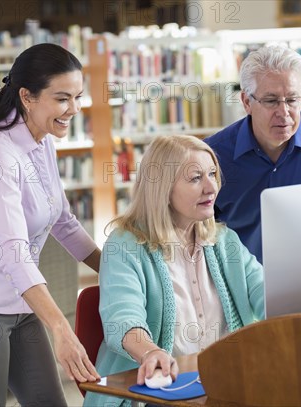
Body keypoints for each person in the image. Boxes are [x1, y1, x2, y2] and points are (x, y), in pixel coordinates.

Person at [0, 43, 101, 406]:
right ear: (27, 96)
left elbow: (63, 221)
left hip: (20, 306)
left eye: (77, 97)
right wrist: (61, 327)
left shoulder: (42, 141)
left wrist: (115, 269)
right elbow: (13, 253)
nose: (73, 109)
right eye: (62, 98)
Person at [83, 135, 265, 406]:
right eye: (195, 178)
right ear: (163, 189)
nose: (211, 187)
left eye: (213, 174)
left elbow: (266, 293)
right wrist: (150, 353)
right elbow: (122, 318)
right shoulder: (125, 246)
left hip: (225, 385)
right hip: (155, 393)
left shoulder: (225, 242)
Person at [205, 45, 301, 263]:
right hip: (243, 283)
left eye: (292, 99)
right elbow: (196, 235)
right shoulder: (213, 155)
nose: (284, 112)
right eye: (271, 101)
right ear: (246, 102)